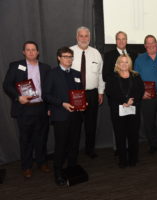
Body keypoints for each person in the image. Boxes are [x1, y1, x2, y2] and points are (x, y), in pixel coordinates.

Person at [3, 41, 51, 178]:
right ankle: (27, 166)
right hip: (24, 108)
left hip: (41, 107)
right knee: (26, 139)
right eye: (28, 50)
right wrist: (18, 98)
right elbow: (7, 85)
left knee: (41, 138)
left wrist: (49, 107)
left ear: (38, 52)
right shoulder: (16, 66)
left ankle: (42, 162)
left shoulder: (46, 68)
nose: (31, 52)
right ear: (23, 52)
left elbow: (49, 89)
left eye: (33, 49)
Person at [43, 47, 84, 186]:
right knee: (61, 146)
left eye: (70, 56)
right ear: (59, 58)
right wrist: (62, 103)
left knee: (74, 144)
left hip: (76, 116)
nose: (68, 59)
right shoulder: (52, 74)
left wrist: (83, 102)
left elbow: (80, 92)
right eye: (65, 56)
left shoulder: (77, 73)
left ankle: (72, 168)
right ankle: (58, 172)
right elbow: (46, 95)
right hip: (61, 116)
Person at [70, 26, 105, 158]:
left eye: (86, 36)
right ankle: (73, 151)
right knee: (75, 125)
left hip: (92, 94)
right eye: (81, 36)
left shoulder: (96, 53)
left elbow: (101, 74)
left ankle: (90, 150)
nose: (84, 38)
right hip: (75, 94)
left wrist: (101, 92)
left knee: (91, 124)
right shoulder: (70, 51)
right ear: (76, 37)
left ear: (89, 38)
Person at [105, 55, 144, 168]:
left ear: (129, 64)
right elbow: (110, 92)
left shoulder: (136, 76)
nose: (124, 64)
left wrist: (132, 100)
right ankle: (122, 160)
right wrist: (123, 101)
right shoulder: (112, 77)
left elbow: (140, 90)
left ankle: (133, 158)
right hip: (118, 110)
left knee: (133, 135)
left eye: (126, 62)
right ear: (117, 64)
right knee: (120, 135)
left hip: (133, 109)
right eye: (121, 62)